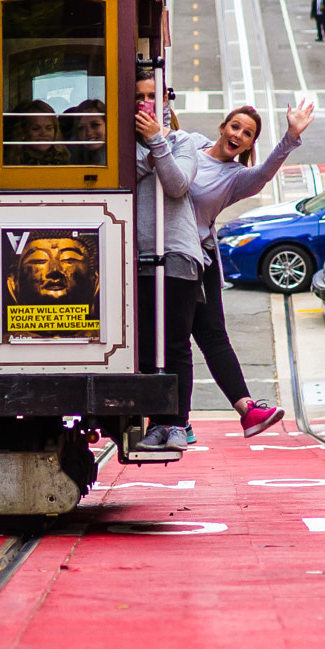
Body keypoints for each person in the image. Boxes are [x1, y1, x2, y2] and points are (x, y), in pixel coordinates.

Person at [188, 100, 315, 437]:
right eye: (236, 127)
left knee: (213, 337)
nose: (239, 135)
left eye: (247, 134)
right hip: (168, 254)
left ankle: (247, 411)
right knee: (174, 341)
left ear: (249, 144)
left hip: (200, 258)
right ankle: (175, 419)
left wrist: (290, 136)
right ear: (222, 126)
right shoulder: (192, 145)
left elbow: (264, 173)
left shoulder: (236, 178)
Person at [131, 76, 203, 453]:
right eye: (139, 98)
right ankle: (155, 423)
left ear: (165, 102)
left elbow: (176, 184)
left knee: (175, 344)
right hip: (137, 257)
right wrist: (150, 155)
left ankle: (178, 423)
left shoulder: (182, 142)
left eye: (152, 97)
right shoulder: (125, 147)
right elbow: (122, 179)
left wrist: (157, 141)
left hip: (177, 254)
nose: (145, 104)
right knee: (144, 347)